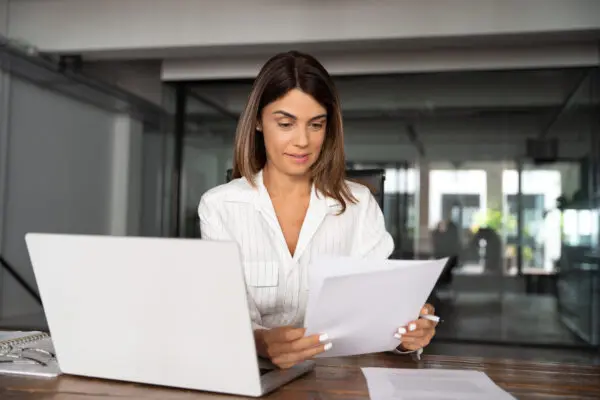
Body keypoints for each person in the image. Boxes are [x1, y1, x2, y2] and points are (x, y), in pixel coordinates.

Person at [198, 51, 437, 369]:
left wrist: (406, 333)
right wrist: (262, 342)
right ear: (258, 121)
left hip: (337, 382)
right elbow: (225, 317)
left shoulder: (358, 204)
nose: (302, 141)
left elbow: (379, 315)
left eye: (316, 125)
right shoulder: (219, 207)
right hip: (251, 377)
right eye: (285, 123)